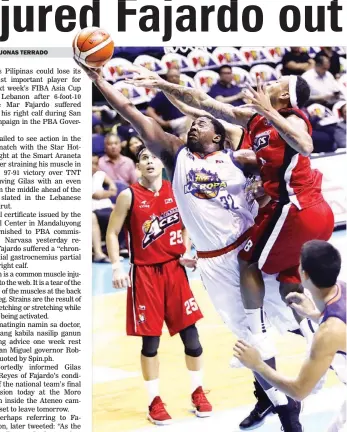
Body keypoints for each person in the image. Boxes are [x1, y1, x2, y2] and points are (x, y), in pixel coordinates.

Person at [76, 60, 304, 431]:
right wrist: (99, 80)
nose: (192, 125)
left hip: (252, 252)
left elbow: (280, 177)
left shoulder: (240, 160)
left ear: (217, 137)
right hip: (215, 265)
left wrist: (261, 191)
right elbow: (130, 112)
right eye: (191, 122)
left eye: (200, 123)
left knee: (294, 314)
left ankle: (328, 355)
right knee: (250, 336)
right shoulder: (174, 154)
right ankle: (280, 406)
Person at [128, 67, 338, 430]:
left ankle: (317, 364)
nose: (267, 83)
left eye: (276, 84)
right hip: (272, 218)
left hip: (292, 211)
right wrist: (163, 85)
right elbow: (202, 104)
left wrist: (267, 124)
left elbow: (304, 145)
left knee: (251, 281)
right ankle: (271, 396)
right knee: (285, 293)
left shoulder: (277, 124)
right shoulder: (248, 122)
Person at [106, 146, 212, 424]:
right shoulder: (128, 195)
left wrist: (186, 248)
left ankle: (198, 391)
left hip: (175, 271)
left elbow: (187, 223)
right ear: (138, 166)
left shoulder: (176, 191)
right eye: (143, 158)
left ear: (161, 163)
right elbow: (113, 232)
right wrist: (117, 266)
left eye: (153, 156)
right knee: (150, 342)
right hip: (144, 275)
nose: (149, 161)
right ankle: (154, 400)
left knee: (192, 338)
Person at [234, 240, 346, 432]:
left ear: (304, 274)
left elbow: (299, 391)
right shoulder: (341, 288)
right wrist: (314, 315)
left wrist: (257, 364)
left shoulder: (328, 333)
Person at [146, 68, 188, 136]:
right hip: (174, 125)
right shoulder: (162, 94)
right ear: (167, 78)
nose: (174, 78)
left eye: (176, 76)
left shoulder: (186, 92)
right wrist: (163, 123)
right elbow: (149, 111)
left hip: (189, 120)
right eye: (171, 76)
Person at [92, 154, 117, 263]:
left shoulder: (99, 174)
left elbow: (113, 186)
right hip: (92, 207)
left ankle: (121, 248)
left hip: (105, 205)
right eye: (91, 164)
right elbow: (96, 195)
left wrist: (111, 187)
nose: (94, 166)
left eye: (96, 163)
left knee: (122, 211)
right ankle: (98, 253)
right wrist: (110, 193)